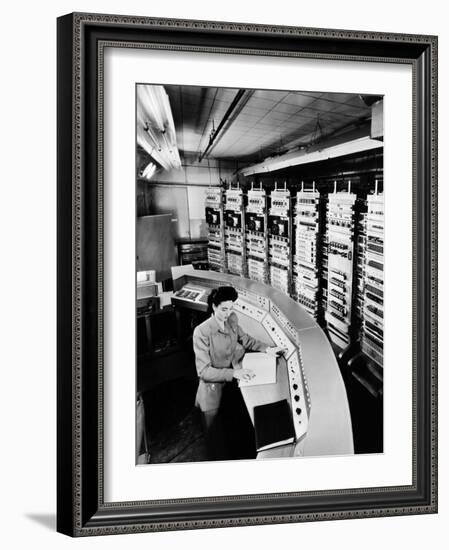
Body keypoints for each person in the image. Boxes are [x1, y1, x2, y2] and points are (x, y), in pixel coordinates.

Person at [192, 286, 283, 459]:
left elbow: (246, 339)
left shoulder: (232, 319)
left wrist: (267, 349)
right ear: (213, 306)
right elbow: (203, 372)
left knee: (235, 438)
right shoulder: (201, 332)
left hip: (232, 388)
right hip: (213, 392)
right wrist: (233, 374)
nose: (227, 314)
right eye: (223, 309)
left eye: (231, 308)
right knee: (216, 445)